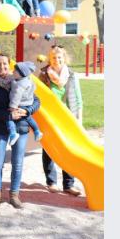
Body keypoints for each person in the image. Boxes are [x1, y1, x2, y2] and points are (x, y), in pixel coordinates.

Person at [0, 53, 41, 209]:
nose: (1, 66)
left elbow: (36, 101)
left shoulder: (20, 80)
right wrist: (8, 115)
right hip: (0, 129)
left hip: (21, 127)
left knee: (17, 163)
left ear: (9, 65)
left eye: (4, 63)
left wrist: (27, 110)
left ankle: (14, 195)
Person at [38, 45, 83, 196]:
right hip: (50, 117)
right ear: (49, 59)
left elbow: (78, 99)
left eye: (59, 57)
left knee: (68, 148)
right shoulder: (44, 74)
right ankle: (51, 182)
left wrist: (78, 119)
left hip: (67, 117)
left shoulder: (71, 75)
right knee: (49, 148)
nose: (56, 60)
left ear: (64, 58)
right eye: (53, 57)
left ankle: (68, 184)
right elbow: (38, 95)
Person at [7, 61, 44, 146]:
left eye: (15, 71)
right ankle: (37, 131)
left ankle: (13, 133)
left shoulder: (19, 85)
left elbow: (16, 96)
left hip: (20, 104)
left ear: (21, 74)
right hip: (27, 103)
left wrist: (12, 107)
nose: (12, 71)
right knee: (28, 118)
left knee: (9, 118)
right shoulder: (27, 80)